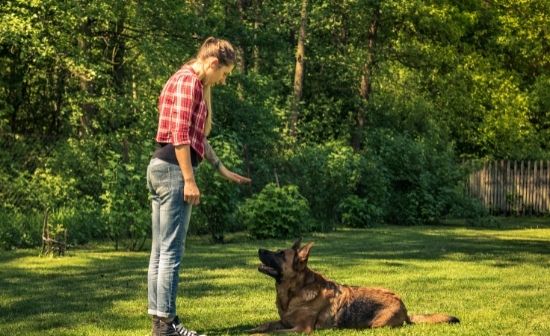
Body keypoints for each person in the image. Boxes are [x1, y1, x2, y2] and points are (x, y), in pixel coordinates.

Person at [146, 37, 251, 336]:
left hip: (164, 169)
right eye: (225, 74)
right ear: (214, 63)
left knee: (160, 251)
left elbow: (199, 136)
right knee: (171, 252)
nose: (223, 81)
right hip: (173, 172)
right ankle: (167, 324)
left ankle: (160, 323)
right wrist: (189, 179)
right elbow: (180, 135)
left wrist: (222, 169)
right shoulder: (187, 81)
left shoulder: (193, 82)